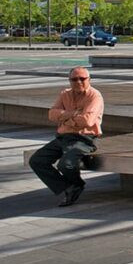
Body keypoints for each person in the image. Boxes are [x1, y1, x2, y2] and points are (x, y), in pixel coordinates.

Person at [28, 67, 103, 207]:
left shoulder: (95, 96)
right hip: (63, 137)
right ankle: (68, 187)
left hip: (84, 138)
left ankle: (77, 185)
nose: (78, 82)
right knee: (37, 160)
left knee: (66, 165)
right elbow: (51, 114)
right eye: (74, 79)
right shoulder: (65, 94)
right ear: (69, 81)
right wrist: (74, 114)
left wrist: (64, 118)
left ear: (89, 80)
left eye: (82, 79)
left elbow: (87, 121)